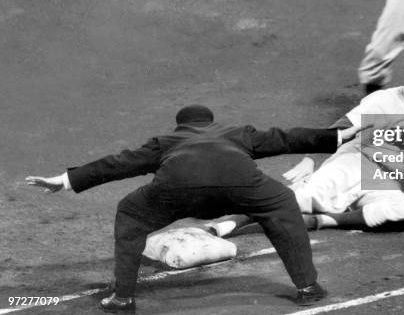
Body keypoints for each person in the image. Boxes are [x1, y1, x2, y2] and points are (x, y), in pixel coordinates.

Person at [26, 105, 358, 313]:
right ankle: (308, 288)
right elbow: (287, 138)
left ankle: (123, 299)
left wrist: (66, 180)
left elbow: (119, 163)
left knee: (130, 213)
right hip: (241, 185)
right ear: (210, 121)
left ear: (179, 125)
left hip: (178, 188)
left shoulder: (167, 141)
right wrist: (337, 136)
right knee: (282, 203)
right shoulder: (236, 134)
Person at [210, 54, 404, 235]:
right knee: (304, 197)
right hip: (355, 161)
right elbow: (342, 128)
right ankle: (234, 220)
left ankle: (324, 221)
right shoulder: (384, 102)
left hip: (383, 180)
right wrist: (310, 157)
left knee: (403, 210)